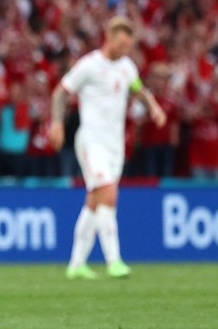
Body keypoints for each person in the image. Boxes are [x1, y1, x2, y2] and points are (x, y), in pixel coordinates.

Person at [49, 17, 166, 280]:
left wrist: (154, 107)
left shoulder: (127, 67)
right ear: (109, 37)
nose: (126, 50)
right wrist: (57, 124)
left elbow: (140, 90)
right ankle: (114, 260)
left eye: (129, 45)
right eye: (122, 44)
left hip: (115, 145)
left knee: (94, 201)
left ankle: (76, 264)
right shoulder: (89, 65)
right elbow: (60, 93)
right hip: (91, 141)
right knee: (108, 193)